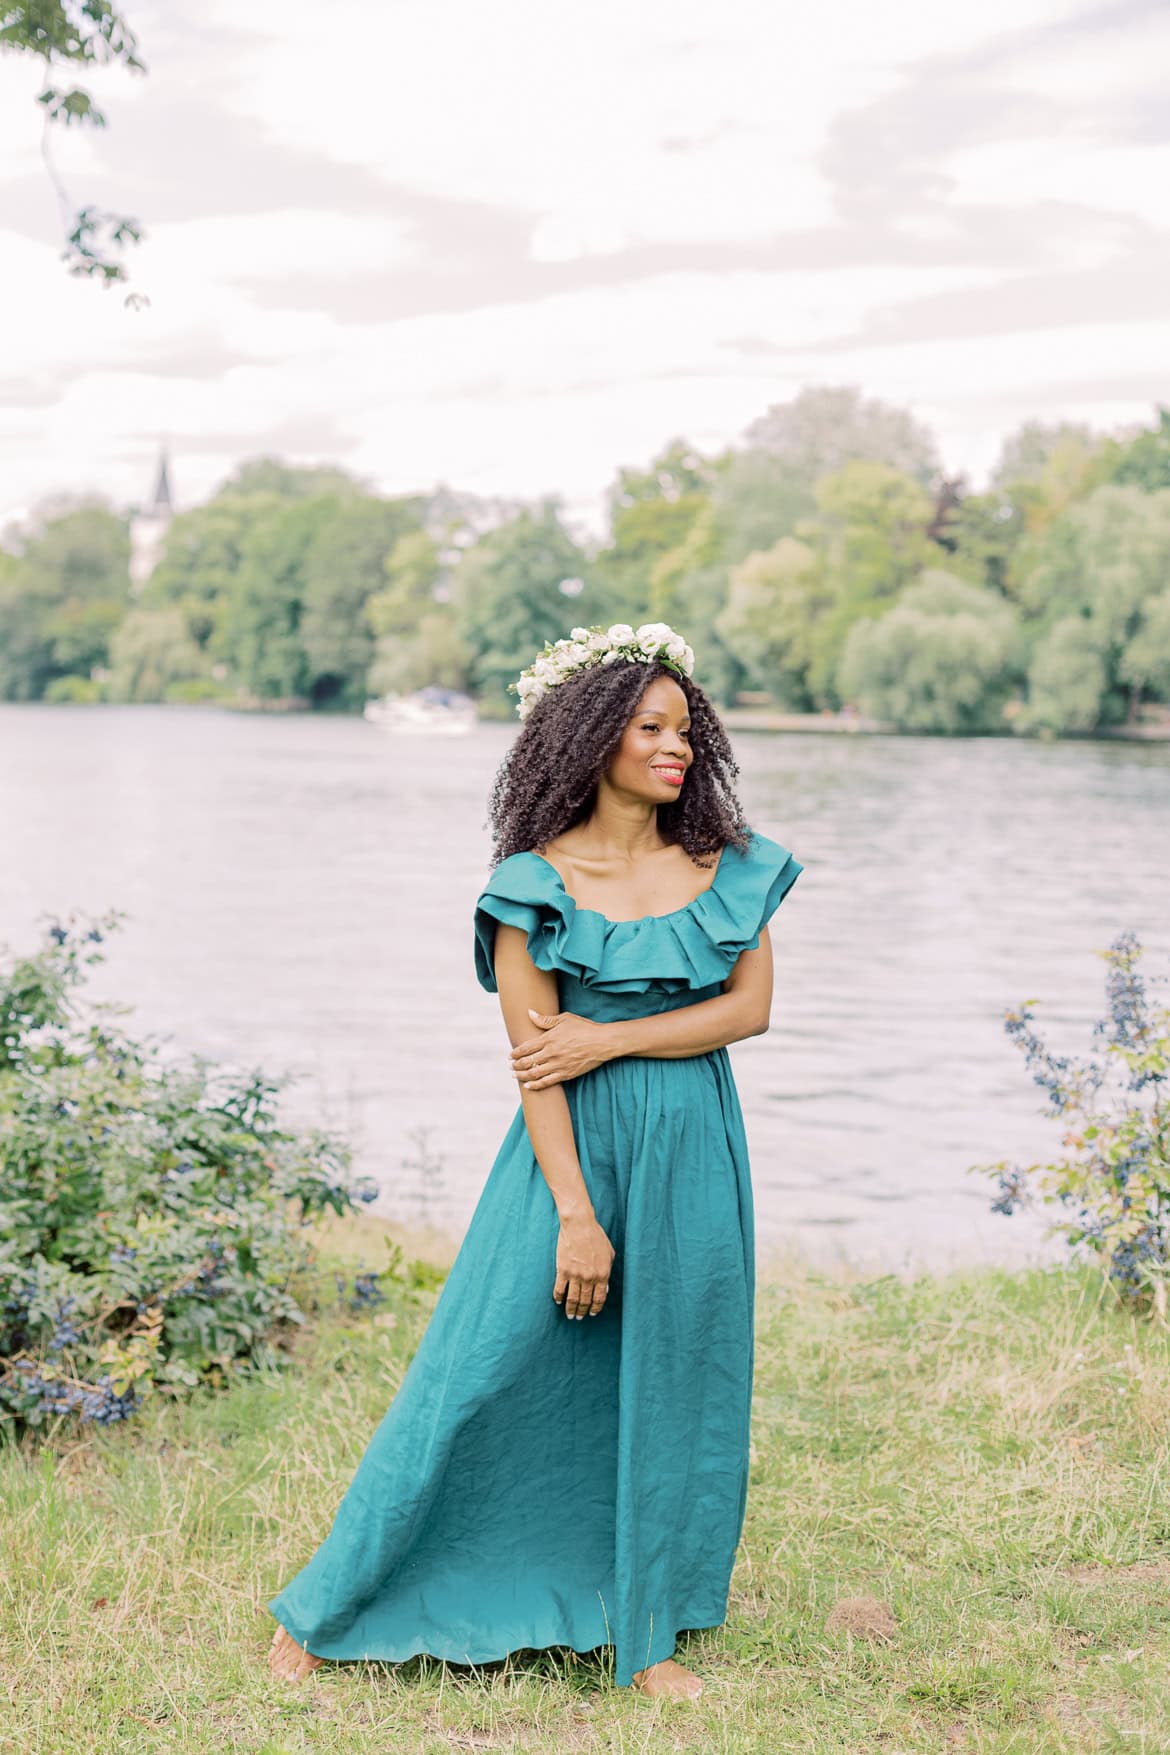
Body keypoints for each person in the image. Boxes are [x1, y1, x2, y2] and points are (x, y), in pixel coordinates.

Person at [267, 620, 802, 1700]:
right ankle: (330, 1607)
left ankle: (645, 1630)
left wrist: (611, 1034)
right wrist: (575, 1212)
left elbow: (749, 1009)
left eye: (687, 731)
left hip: (697, 1144)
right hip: (567, 1158)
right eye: (651, 728)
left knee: (677, 1378)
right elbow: (534, 1063)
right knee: (476, 1368)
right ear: (593, 734)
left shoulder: (727, 864)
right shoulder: (531, 882)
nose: (678, 748)